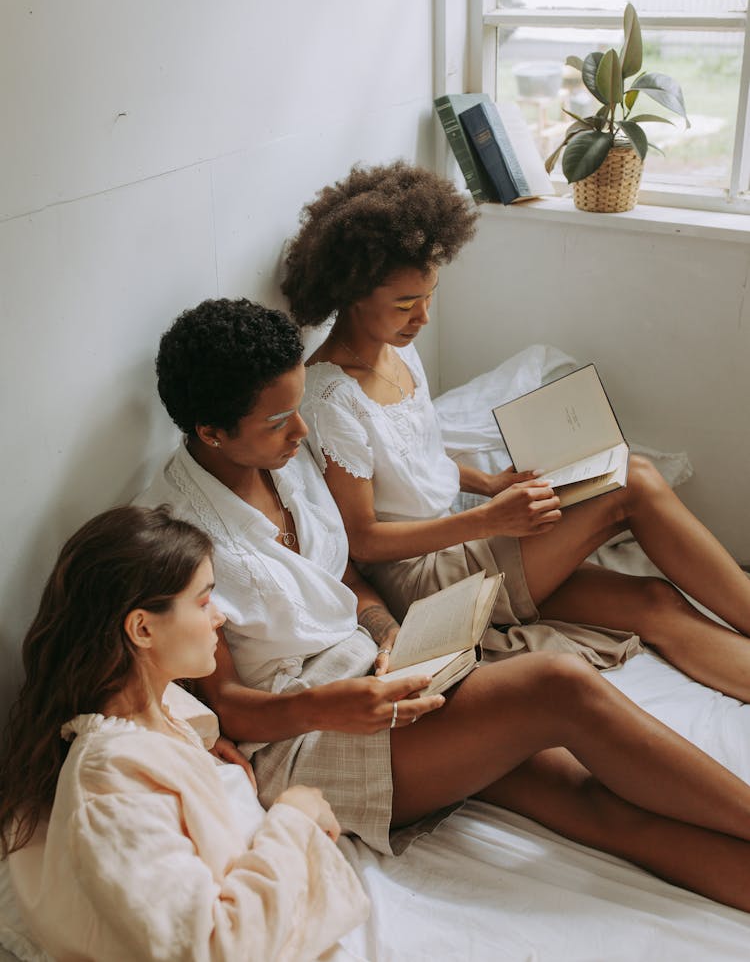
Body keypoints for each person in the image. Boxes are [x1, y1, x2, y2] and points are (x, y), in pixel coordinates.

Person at [136, 295, 750, 913]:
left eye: (297, 410)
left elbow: (343, 571)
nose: (300, 432)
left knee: (595, 803)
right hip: (309, 734)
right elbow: (231, 709)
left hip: (381, 679)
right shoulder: (178, 535)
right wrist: (339, 703)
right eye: (278, 422)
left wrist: (385, 634)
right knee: (558, 685)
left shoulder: (283, 462)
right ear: (212, 432)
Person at [281, 159, 750, 701]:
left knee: (656, 602)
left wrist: (490, 485)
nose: (423, 318)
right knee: (634, 481)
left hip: (463, 532)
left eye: (430, 297)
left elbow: (417, 459)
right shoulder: (328, 397)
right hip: (425, 581)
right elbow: (363, 540)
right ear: (353, 294)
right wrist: (487, 519)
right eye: (406, 304)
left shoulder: (398, 355)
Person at [0, 505, 369, 962]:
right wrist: (295, 814)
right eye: (203, 601)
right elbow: (215, 949)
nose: (220, 618)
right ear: (142, 628)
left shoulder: (167, 713)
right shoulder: (109, 778)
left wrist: (210, 748)